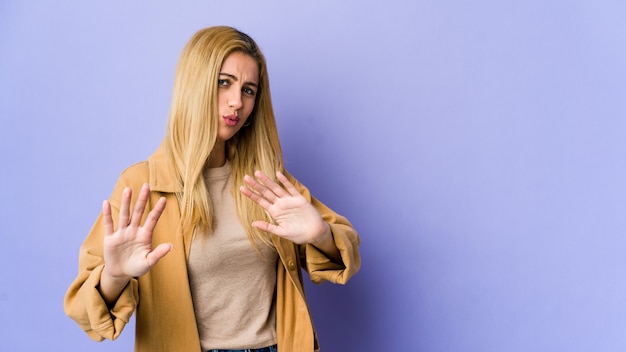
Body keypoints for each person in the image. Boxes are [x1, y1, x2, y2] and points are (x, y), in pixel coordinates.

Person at [64, 26, 361, 352]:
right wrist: (115, 276)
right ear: (195, 84)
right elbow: (85, 311)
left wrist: (320, 237)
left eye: (249, 90)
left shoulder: (264, 181)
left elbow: (345, 249)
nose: (237, 102)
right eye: (224, 82)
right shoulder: (143, 184)